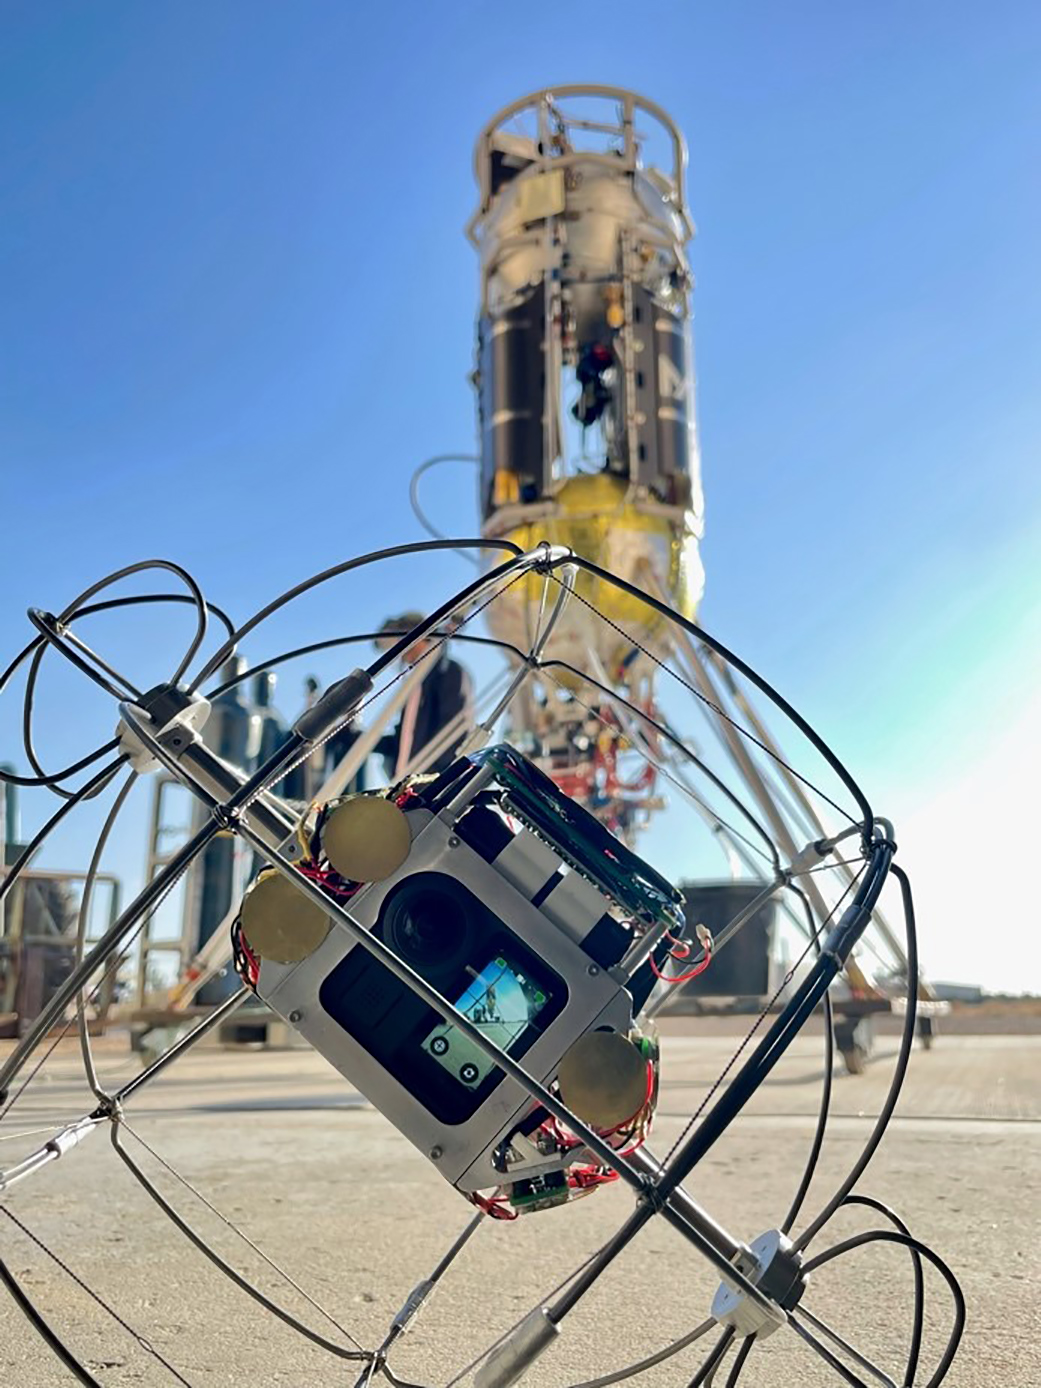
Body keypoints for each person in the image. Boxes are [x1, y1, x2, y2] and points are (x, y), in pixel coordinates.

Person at [375, 611, 473, 778]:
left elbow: (454, 733)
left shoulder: (449, 672)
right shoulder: (413, 688)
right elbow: (401, 743)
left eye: (399, 643)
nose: (400, 655)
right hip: (403, 790)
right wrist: (354, 738)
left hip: (429, 790)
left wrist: (432, 783)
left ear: (417, 637)